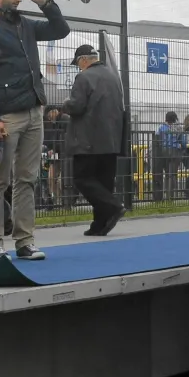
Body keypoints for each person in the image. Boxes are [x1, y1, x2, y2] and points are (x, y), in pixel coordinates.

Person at [0, 0, 70, 262]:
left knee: (27, 179)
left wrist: (44, 2)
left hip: (33, 110)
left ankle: (25, 241)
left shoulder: (24, 23)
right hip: (6, 116)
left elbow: (61, 30)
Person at [59, 43, 124, 235]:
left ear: (84, 60)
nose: (78, 67)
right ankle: (100, 224)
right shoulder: (114, 77)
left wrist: (65, 105)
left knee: (83, 179)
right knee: (103, 182)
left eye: (78, 63)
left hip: (88, 138)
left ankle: (113, 206)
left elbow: (77, 106)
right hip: (111, 139)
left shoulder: (84, 77)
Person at [153, 110, 185, 201]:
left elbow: (157, 140)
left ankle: (159, 196)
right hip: (175, 152)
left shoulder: (161, 128)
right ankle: (170, 196)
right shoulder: (178, 128)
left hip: (163, 153)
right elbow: (183, 141)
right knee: (172, 174)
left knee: (163, 174)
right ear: (175, 119)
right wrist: (181, 148)